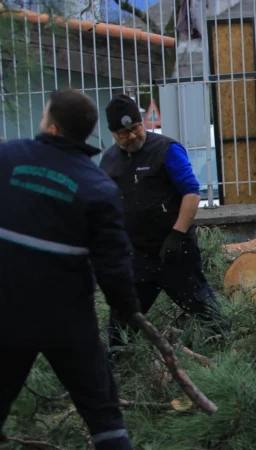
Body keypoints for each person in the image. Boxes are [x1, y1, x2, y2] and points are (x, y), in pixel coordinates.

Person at [0, 89, 137, 450]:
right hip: (67, 322)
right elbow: (114, 263)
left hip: (6, 312)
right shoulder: (98, 187)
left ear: (52, 126)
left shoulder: (7, 158)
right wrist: (129, 309)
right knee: (102, 412)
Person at [98, 94, 229, 354]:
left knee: (206, 312)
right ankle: (116, 372)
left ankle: (230, 354)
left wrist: (177, 235)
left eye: (135, 128)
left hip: (174, 252)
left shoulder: (166, 149)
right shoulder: (109, 161)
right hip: (137, 258)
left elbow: (191, 193)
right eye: (124, 133)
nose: (133, 136)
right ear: (113, 134)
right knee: (122, 323)